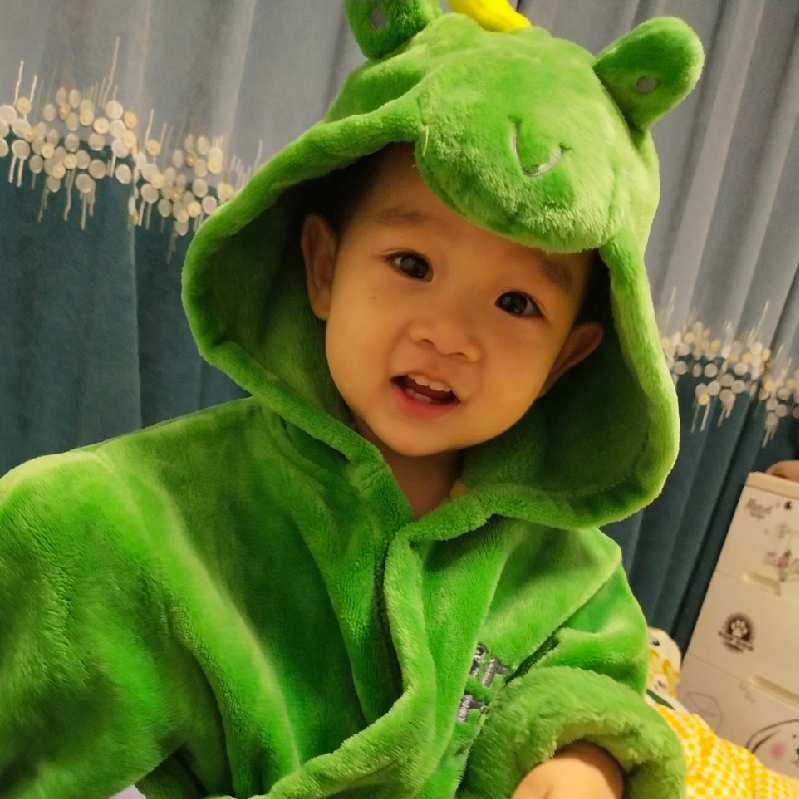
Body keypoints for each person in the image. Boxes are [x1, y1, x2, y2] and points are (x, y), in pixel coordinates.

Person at [0, 2, 705, 798]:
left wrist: (582, 760)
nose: (449, 334)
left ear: (564, 359)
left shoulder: (570, 572)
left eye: (515, 304)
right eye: (411, 263)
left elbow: (595, 682)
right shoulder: (145, 519)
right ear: (324, 269)